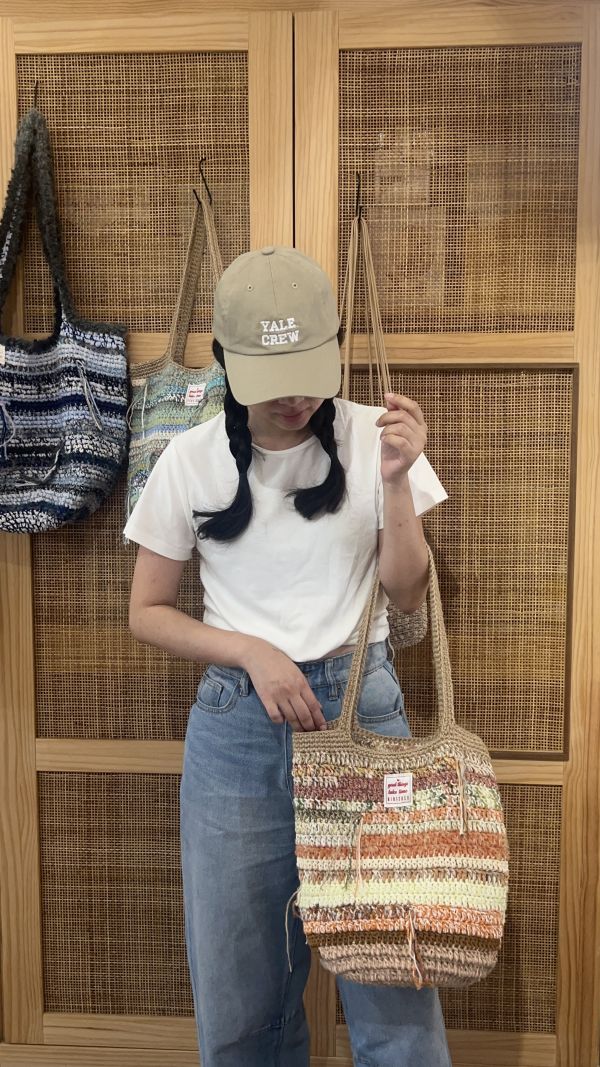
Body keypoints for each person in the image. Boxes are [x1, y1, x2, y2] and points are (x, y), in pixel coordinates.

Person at [124, 245, 452, 1067]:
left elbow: (407, 591)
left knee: (393, 980)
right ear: (227, 361)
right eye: (273, 378)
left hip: (362, 714)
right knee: (243, 997)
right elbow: (146, 612)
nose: (296, 398)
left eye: (309, 370)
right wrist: (252, 651)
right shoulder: (190, 458)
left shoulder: (373, 436)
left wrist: (398, 479)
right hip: (238, 728)